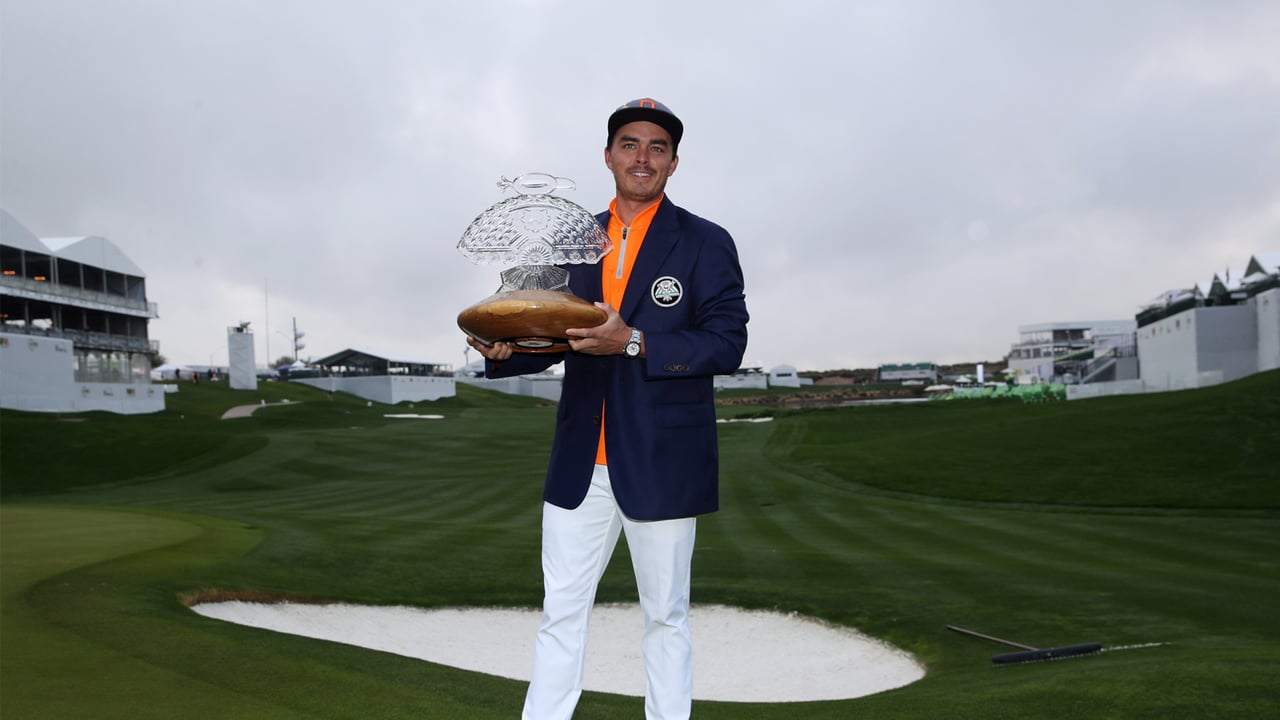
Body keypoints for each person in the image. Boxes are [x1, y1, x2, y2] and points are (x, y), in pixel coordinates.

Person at [466, 98, 749, 720]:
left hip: (662, 460)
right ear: (608, 156)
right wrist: (502, 350)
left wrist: (637, 341)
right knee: (561, 614)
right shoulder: (574, 240)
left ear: (674, 162)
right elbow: (549, 338)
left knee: (666, 617)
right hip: (579, 462)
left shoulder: (705, 242)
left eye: (656, 148)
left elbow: (728, 343)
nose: (641, 157)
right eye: (629, 144)